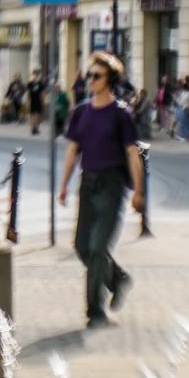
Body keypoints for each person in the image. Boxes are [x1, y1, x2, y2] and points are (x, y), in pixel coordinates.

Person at [57, 51, 144, 327]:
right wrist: (64, 186)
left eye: (96, 76)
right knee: (82, 247)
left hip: (112, 185)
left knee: (98, 249)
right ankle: (117, 277)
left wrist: (139, 191)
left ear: (109, 81)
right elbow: (73, 151)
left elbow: (133, 154)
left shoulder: (121, 114)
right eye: (89, 75)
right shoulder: (80, 112)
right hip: (88, 184)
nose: (90, 80)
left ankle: (95, 313)